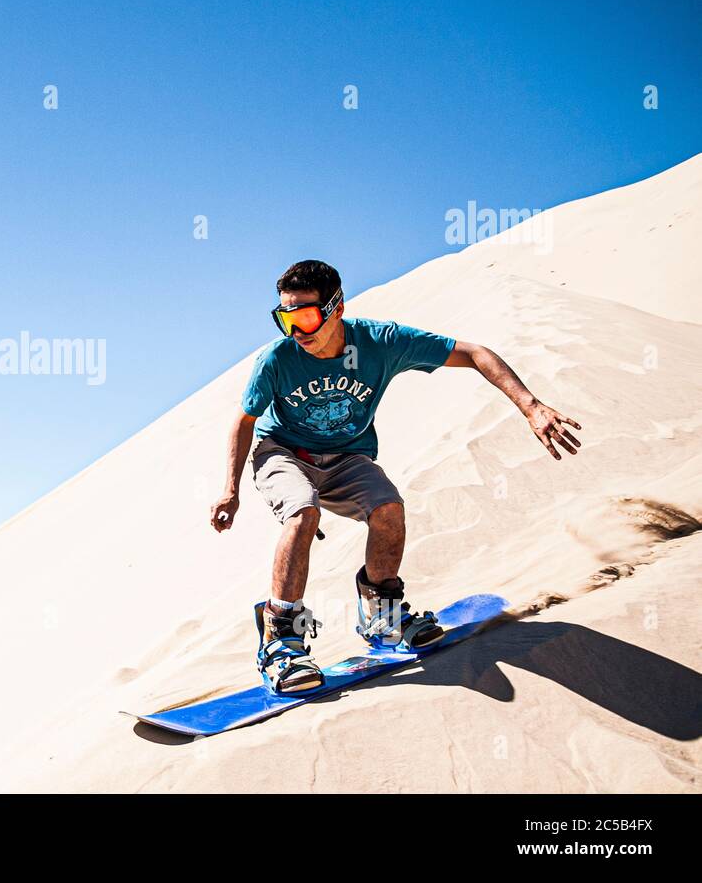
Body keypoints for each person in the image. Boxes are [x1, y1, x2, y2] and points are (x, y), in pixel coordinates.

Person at [209, 259, 582, 693]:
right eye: (285, 318)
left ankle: (382, 617)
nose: (297, 330)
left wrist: (531, 406)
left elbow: (476, 353)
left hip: (348, 456)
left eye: (306, 316)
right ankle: (281, 642)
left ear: (337, 307)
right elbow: (244, 420)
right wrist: (230, 489)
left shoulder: (380, 342)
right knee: (303, 513)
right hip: (285, 453)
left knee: (388, 509)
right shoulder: (277, 359)